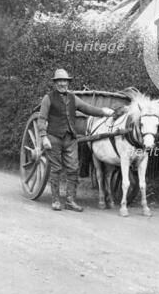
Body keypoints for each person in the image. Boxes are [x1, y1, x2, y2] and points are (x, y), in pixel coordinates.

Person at [38, 69, 114, 212]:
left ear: (68, 82)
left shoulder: (73, 98)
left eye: (65, 81)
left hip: (70, 139)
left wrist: (104, 112)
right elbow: (42, 119)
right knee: (56, 169)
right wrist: (43, 137)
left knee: (73, 169)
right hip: (53, 138)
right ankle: (55, 200)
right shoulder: (48, 98)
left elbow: (88, 109)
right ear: (55, 83)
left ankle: (70, 201)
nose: (62, 83)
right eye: (59, 81)